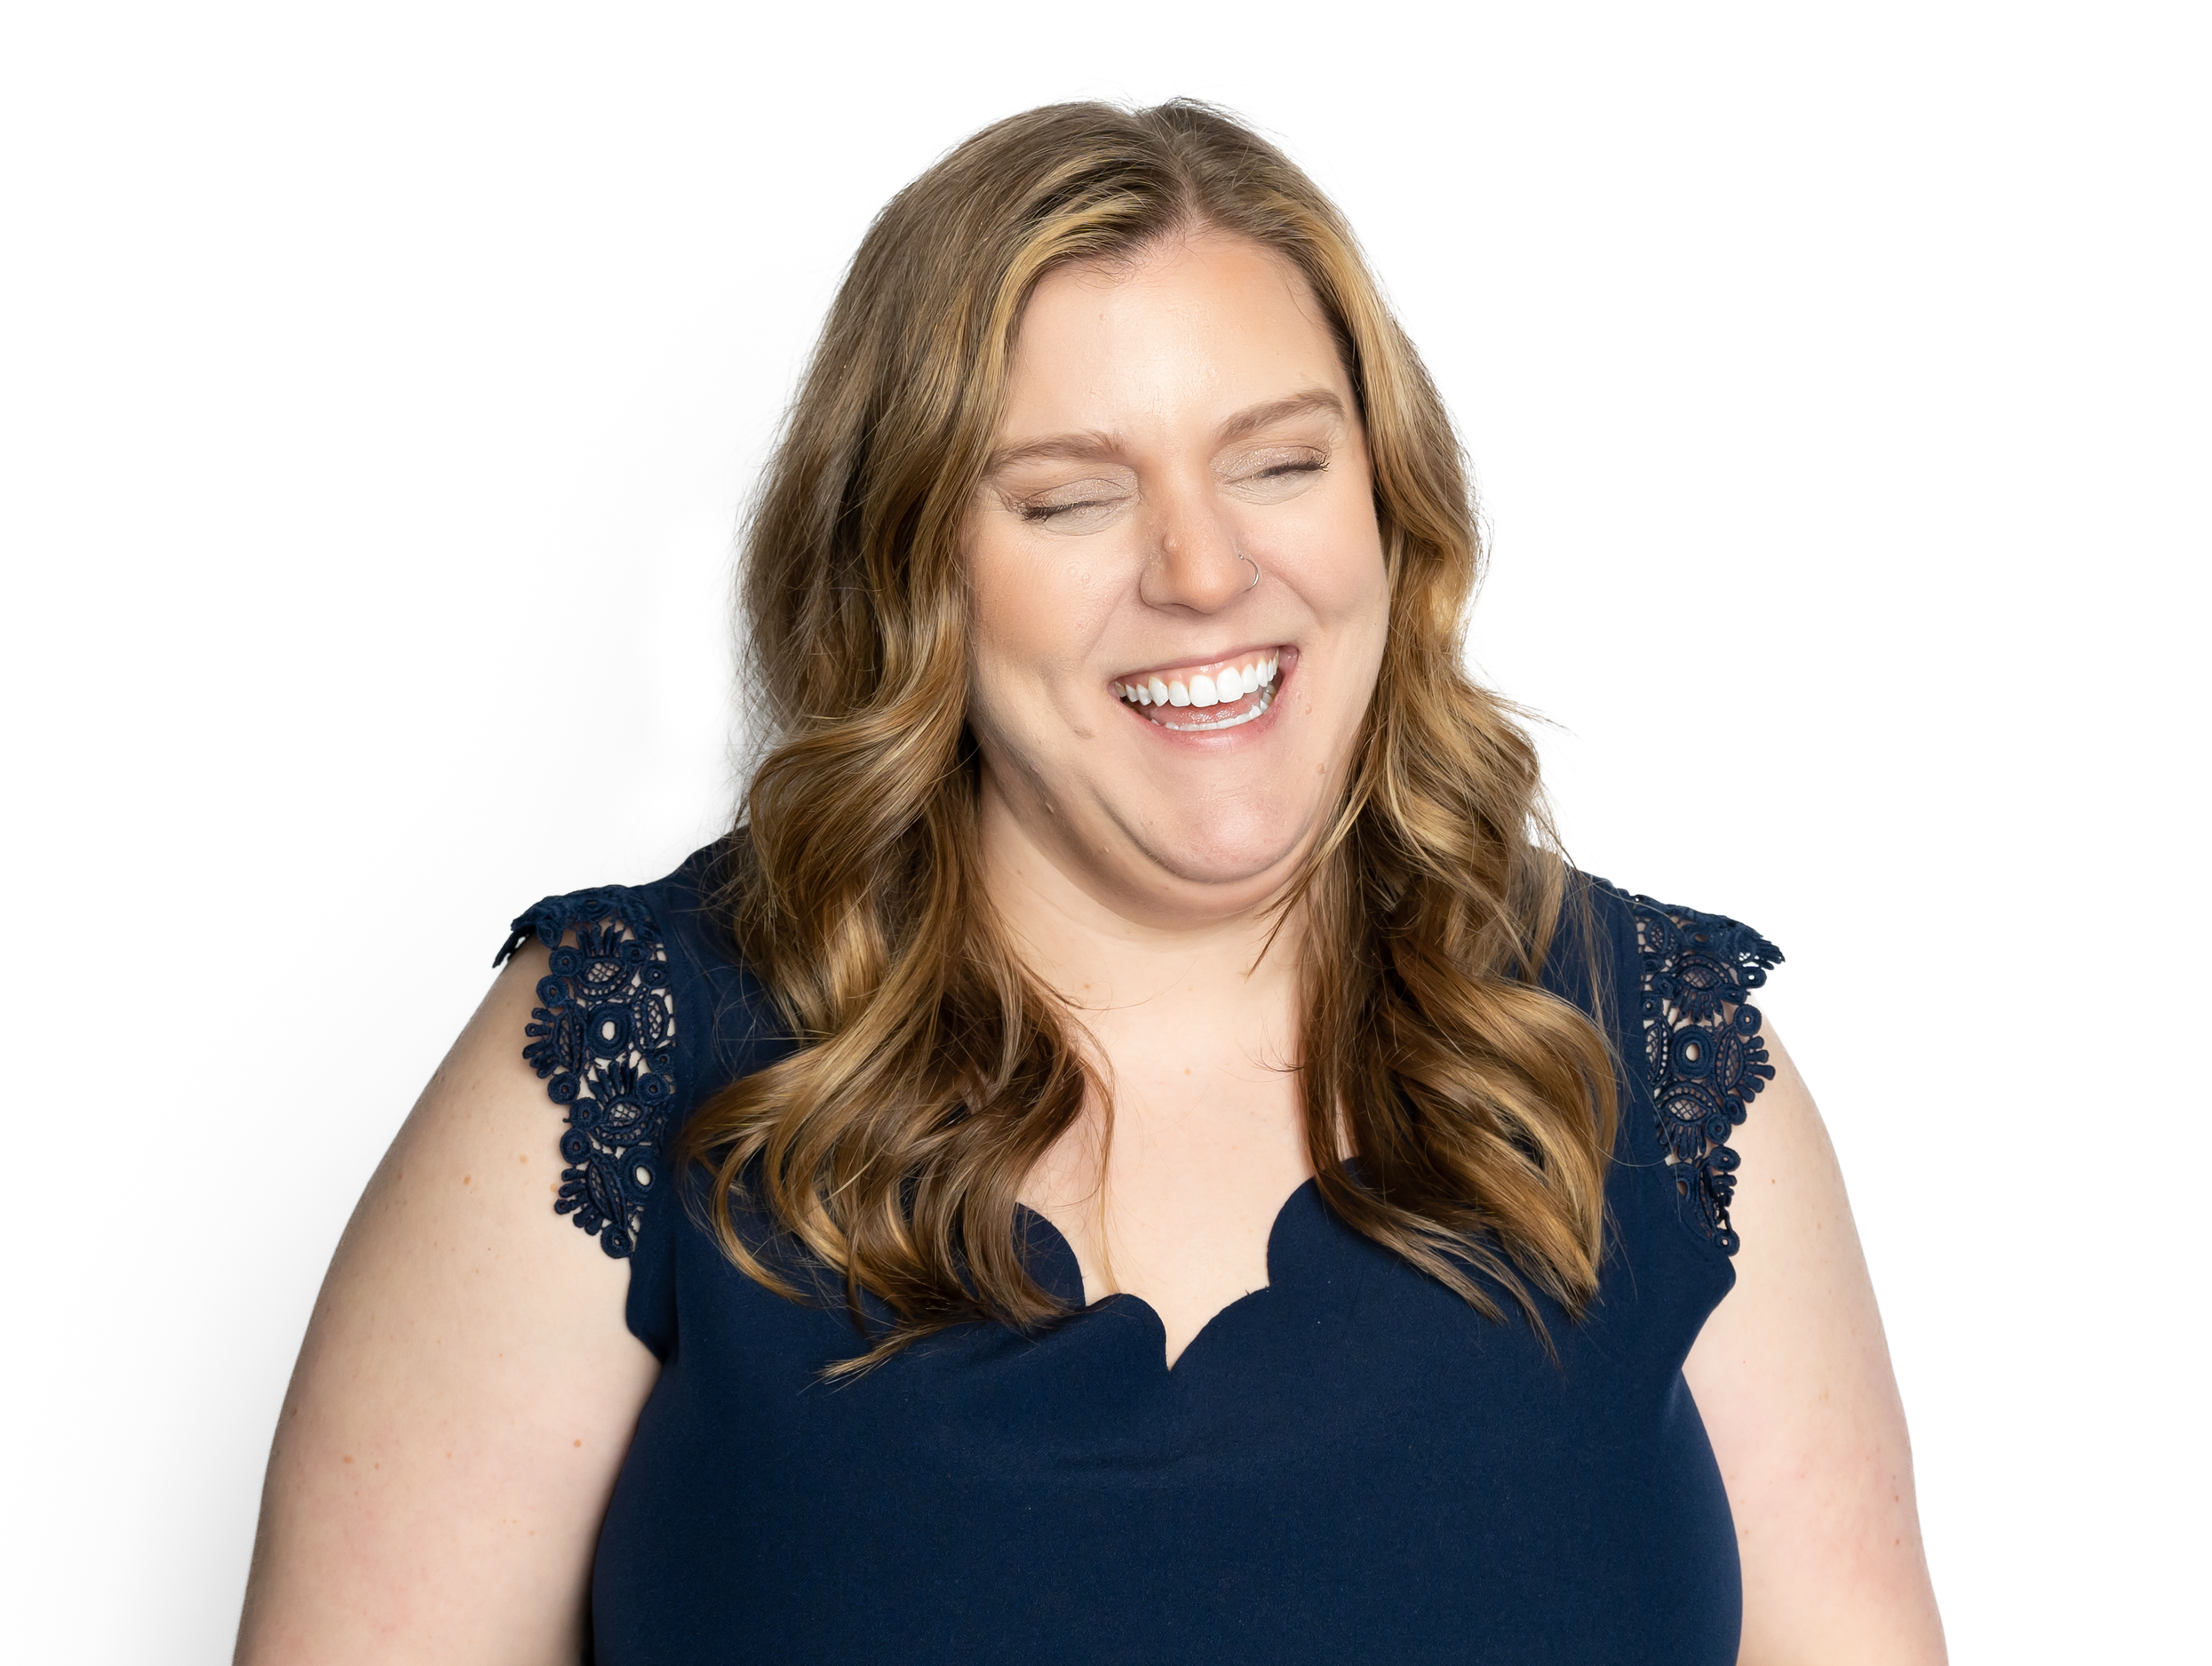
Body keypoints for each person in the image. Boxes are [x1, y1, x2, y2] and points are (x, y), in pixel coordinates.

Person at [236, 100, 1945, 1664]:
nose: (1204, 569)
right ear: (912, 573)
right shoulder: (618, 1056)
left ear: (1391, 507)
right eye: (1070, 499)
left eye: (1280, 462)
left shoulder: (1664, 1055)